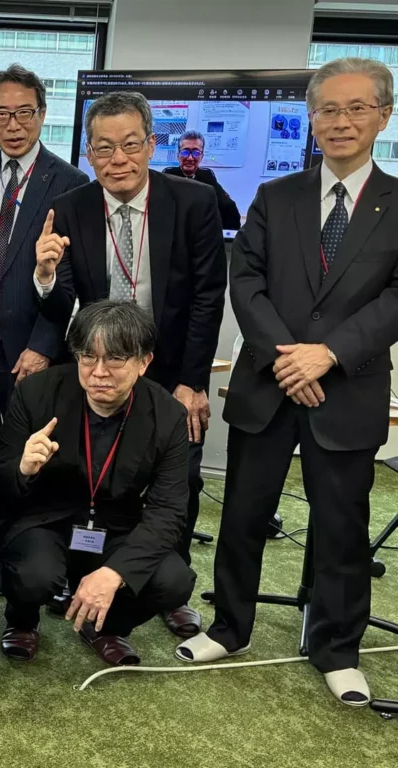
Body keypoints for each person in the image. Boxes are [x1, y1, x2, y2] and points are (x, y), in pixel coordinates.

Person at [177, 58, 398, 708]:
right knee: (243, 514)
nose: (341, 121)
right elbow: (245, 280)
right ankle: (228, 627)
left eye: (357, 108)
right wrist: (287, 359)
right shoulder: (276, 197)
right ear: (311, 117)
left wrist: (328, 354)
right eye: (328, 109)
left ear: (383, 116)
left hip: (347, 385)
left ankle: (336, 649)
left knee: (342, 527)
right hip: (269, 384)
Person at [33, 91, 227, 640]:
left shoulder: (193, 202)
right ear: (89, 153)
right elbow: (63, 306)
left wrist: (191, 383)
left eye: (130, 144)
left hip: (168, 368)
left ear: (151, 144)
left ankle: (167, 586)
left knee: (180, 478)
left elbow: (207, 297)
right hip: (101, 367)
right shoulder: (71, 206)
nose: (117, 159)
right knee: (90, 473)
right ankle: (81, 572)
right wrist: (45, 276)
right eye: (103, 148)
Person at [0, 300, 194, 667]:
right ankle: (22, 619)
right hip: (45, 519)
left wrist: (116, 573)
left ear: (144, 362)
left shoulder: (168, 416)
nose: (99, 372)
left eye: (115, 359)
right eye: (87, 357)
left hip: (117, 525)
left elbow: (168, 511)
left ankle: (106, 627)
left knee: (174, 580)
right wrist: (22, 468)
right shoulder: (36, 392)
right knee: (35, 575)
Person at [0, 64, 89, 458]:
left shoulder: (70, 183)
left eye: (24, 112)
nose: (13, 125)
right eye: (1, 114)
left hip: (29, 340)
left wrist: (43, 346)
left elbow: (69, 281)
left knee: (25, 446)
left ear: (42, 114)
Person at [163, 130, 242, 230]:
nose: (190, 158)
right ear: (178, 155)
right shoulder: (168, 177)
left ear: (201, 157)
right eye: (185, 152)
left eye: (196, 153)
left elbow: (228, 208)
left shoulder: (207, 177)